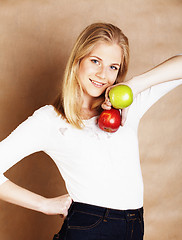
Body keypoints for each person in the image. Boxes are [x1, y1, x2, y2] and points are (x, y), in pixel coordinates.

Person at [0, 23, 181, 240]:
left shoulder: (127, 106)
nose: (102, 74)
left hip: (133, 226)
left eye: (113, 67)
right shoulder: (50, 120)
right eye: (95, 61)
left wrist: (134, 85)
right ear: (78, 61)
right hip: (89, 228)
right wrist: (43, 204)